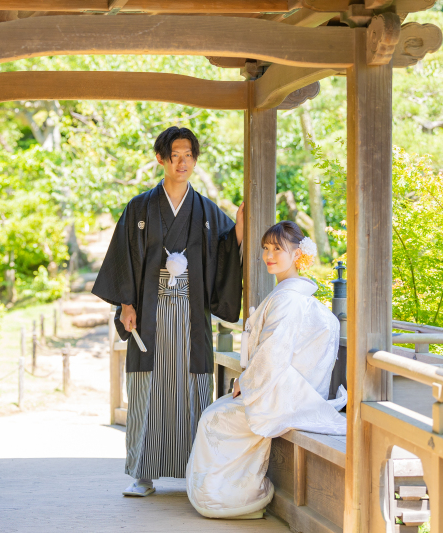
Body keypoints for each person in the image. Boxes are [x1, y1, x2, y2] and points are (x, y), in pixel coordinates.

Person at [92, 126, 244, 497]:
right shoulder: (140, 208)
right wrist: (126, 304)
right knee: (148, 390)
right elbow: (124, 257)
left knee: (192, 389)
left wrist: (240, 230)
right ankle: (142, 474)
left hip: (191, 316)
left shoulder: (207, 210)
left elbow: (226, 252)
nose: (183, 162)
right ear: (161, 158)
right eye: (175, 155)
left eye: (189, 155)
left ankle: (195, 471)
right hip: (150, 312)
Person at [186, 221, 347, 519]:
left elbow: (273, 353)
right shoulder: (288, 295)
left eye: (278, 249)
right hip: (276, 384)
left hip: (280, 390)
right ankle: (227, 494)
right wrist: (245, 382)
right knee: (215, 414)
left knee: (214, 419)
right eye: (265, 248)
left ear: (297, 254)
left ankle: (235, 499)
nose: (269, 255)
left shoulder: (287, 299)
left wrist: (246, 383)